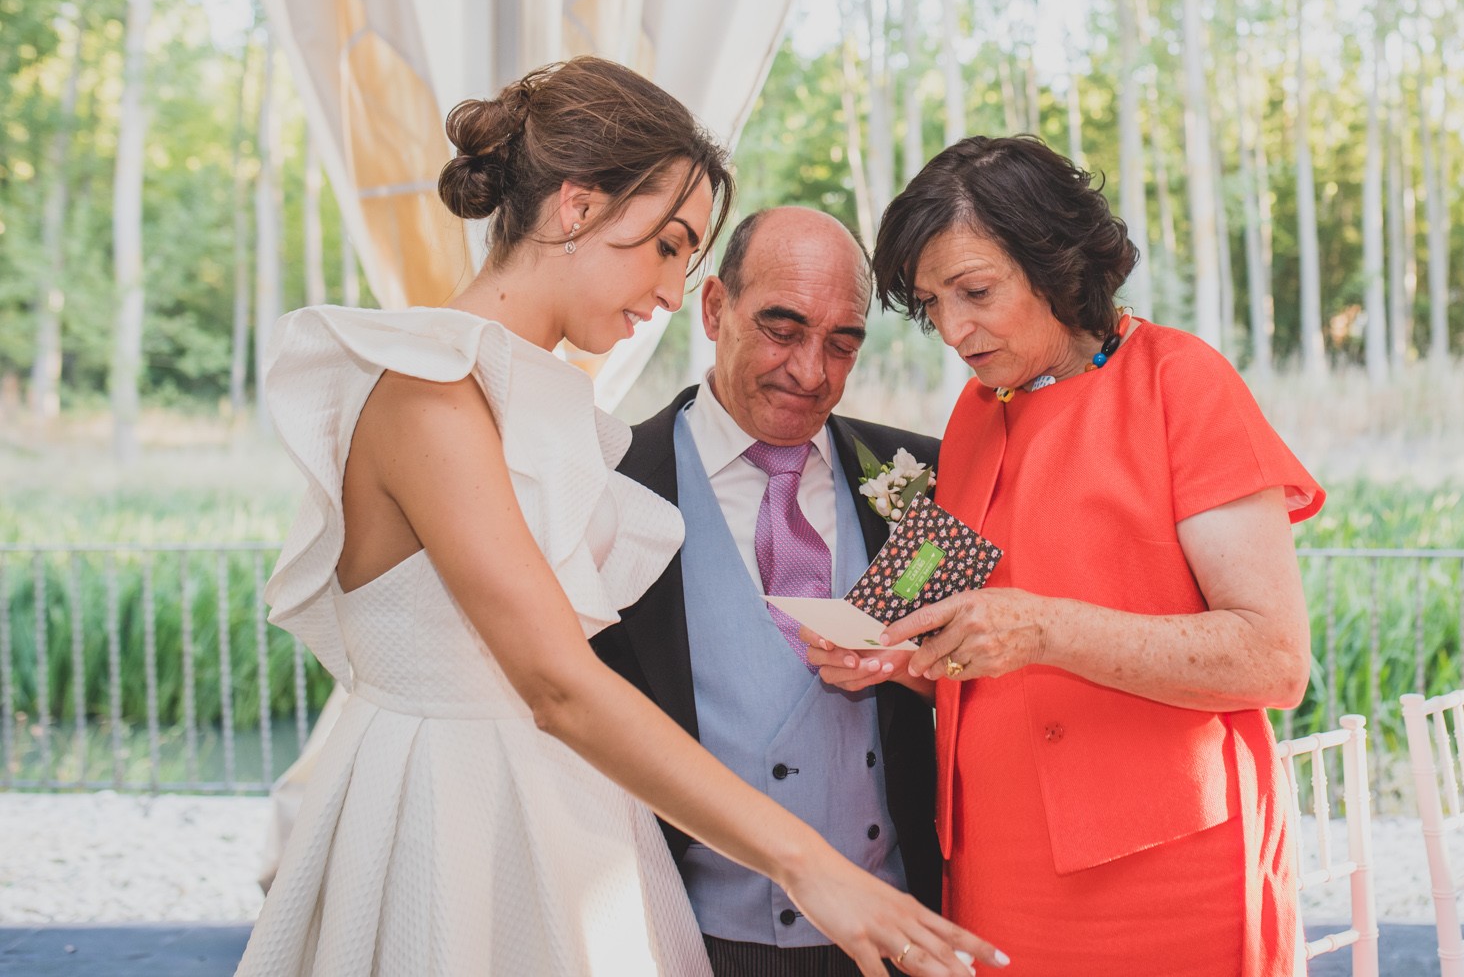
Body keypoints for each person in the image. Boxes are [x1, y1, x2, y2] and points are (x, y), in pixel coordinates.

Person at [239, 59, 999, 977]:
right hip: (459, 826)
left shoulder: (536, 408)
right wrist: (807, 862)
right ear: (577, 207)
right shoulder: (428, 396)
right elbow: (559, 686)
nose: (673, 290)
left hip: (578, 825)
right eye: (668, 245)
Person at [808, 135, 1324, 976]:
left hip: (1164, 879)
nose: (953, 329)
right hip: (994, 869)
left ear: (1054, 262)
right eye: (933, 302)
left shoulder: (1181, 382)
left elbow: (1274, 658)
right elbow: (963, 645)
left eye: (975, 291)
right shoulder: (975, 413)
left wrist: (1045, 628)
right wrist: (893, 657)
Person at [592, 207, 945, 977]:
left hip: (901, 934)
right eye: (783, 330)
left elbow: (983, 691)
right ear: (715, 308)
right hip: (695, 940)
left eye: (842, 343)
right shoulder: (610, 486)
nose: (811, 372)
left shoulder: (925, 478)